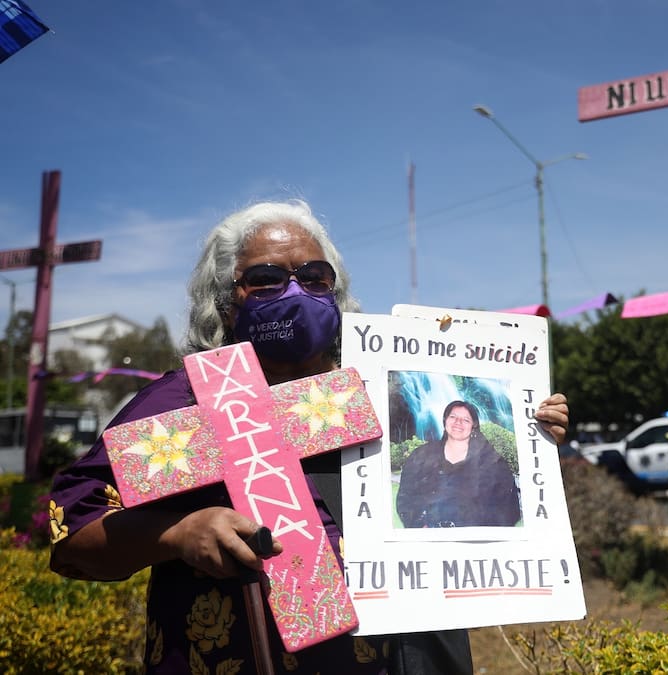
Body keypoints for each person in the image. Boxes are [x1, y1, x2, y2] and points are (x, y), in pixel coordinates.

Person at [46, 199, 570, 674]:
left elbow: (459, 471)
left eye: (314, 277)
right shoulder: (186, 401)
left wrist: (532, 431)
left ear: (335, 291)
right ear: (227, 301)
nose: (295, 292)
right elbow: (74, 533)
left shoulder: (376, 386)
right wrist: (179, 534)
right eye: (267, 278)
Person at [395, 400, 521, 528]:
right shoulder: (421, 456)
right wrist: (418, 525)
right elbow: (406, 497)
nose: (458, 423)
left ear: (474, 426)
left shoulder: (493, 463)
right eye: (453, 417)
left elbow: (509, 508)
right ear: (445, 421)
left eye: (466, 420)